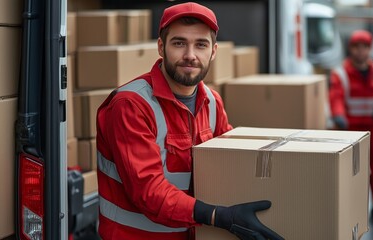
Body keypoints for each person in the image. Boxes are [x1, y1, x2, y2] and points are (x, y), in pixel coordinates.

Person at [96, 2, 283, 240]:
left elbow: (231, 166)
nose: (190, 55)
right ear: (161, 47)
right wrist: (217, 216)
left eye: (201, 45)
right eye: (179, 43)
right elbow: (148, 192)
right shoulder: (130, 105)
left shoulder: (212, 102)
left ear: (213, 51)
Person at [329, 30, 373, 224]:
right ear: (350, 49)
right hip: (349, 132)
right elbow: (336, 98)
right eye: (356, 47)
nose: (360, 51)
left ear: (370, 48)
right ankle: (349, 210)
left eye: (364, 47)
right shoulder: (340, 73)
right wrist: (338, 116)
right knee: (350, 172)